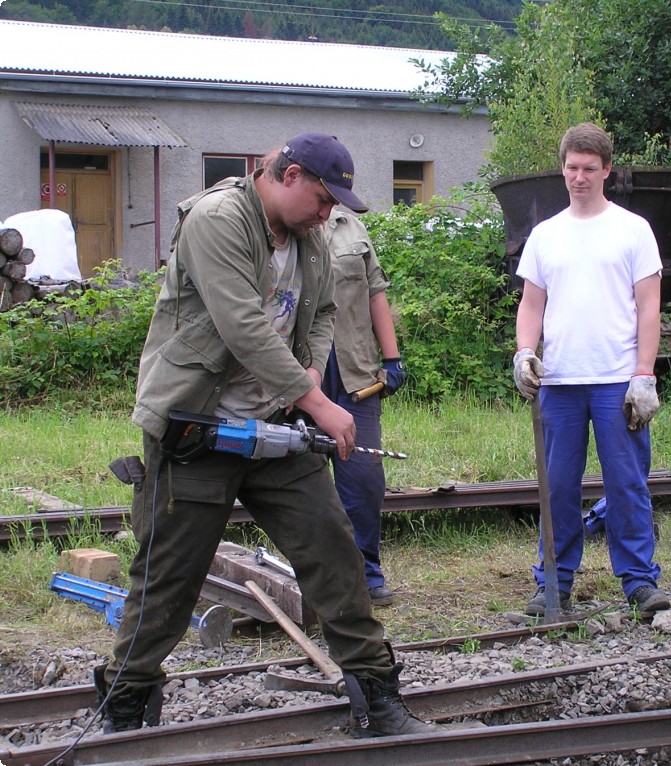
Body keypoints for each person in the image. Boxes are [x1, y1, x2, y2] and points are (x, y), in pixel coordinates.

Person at [94, 132, 436, 739]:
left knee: (334, 554)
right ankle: (123, 705)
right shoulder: (218, 219)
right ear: (289, 174)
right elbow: (242, 325)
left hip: (276, 429)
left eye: (335, 206)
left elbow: (325, 309)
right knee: (168, 576)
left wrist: (307, 365)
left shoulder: (310, 240)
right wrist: (320, 401)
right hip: (196, 429)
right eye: (324, 198)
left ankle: (379, 698)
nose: (328, 213)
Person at [512, 122, 670, 619]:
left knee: (626, 483)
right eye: (571, 168)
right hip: (558, 381)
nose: (579, 177)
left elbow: (649, 307)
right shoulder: (545, 235)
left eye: (589, 169)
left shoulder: (632, 230)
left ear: (606, 171)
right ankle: (553, 585)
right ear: (563, 169)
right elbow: (531, 304)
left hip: (616, 381)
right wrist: (524, 353)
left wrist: (643, 374)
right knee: (557, 486)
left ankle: (640, 583)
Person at [322, 204, 405, 606]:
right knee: (297, 481)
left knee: (364, 479)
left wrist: (391, 359)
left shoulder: (349, 226)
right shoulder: (271, 224)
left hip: (355, 374)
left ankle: (365, 570)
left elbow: (375, 294)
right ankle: (313, 574)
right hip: (296, 374)